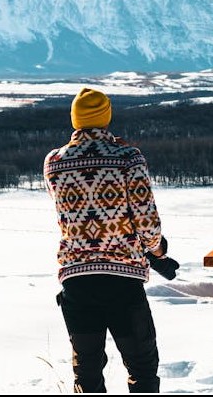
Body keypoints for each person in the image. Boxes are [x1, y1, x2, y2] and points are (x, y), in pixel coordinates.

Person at [44, 87, 179, 393]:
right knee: (142, 370)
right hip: (123, 282)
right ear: (106, 118)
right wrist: (158, 251)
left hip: (77, 282)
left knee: (87, 374)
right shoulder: (128, 158)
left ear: (75, 119)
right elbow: (146, 222)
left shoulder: (53, 162)